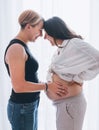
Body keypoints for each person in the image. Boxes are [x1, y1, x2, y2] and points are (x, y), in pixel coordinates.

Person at [4, 10, 67, 130]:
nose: (41, 34)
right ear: (28, 27)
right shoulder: (16, 48)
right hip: (22, 108)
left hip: (28, 105)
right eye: (40, 29)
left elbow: (27, 77)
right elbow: (18, 86)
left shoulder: (22, 46)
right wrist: (47, 86)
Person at [43, 16, 99, 130]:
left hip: (70, 104)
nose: (44, 37)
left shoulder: (74, 44)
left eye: (46, 33)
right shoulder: (62, 48)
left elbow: (97, 59)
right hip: (64, 105)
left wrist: (79, 79)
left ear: (54, 32)